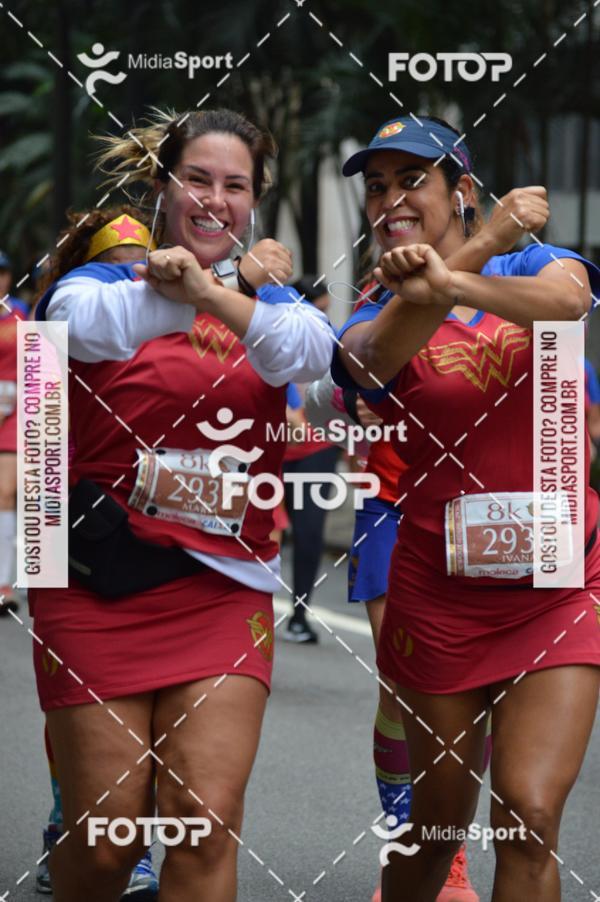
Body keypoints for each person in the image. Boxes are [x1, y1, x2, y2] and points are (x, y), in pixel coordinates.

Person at [30, 108, 333, 902]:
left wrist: (230, 291)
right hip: (96, 583)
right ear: (163, 188)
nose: (214, 199)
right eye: (196, 179)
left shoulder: (280, 306)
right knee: (105, 840)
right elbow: (82, 330)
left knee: (201, 816)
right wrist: (217, 286)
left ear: (254, 204)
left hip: (224, 587)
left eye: (235, 186)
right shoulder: (95, 285)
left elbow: (304, 351)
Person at [332, 114, 600, 902]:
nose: (390, 199)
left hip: (560, 582)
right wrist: (455, 270)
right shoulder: (376, 304)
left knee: (530, 812)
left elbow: (565, 301)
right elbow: (371, 362)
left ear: (464, 191)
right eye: (377, 187)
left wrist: (457, 275)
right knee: (437, 832)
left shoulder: (537, 260)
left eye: (412, 180)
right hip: (439, 595)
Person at [32, 207, 159, 897]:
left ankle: (129, 836)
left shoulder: (176, 305)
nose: (133, 273)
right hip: (77, 540)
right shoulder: (62, 315)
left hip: (168, 538)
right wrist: (38, 557)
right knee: (71, 708)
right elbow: (39, 441)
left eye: (143, 258)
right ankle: (69, 828)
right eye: (118, 263)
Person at [282, 278, 340, 643]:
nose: (322, 319)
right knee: (263, 534)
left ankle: (299, 615)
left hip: (316, 452)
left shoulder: (330, 341)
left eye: (325, 312)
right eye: (316, 311)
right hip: (266, 450)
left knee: (308, 534)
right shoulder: (270, 333)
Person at [0, 249, 29, 615]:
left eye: (3, 272)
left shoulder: (23, 312)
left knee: (4, 492)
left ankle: (4, 583)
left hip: (18, 410)